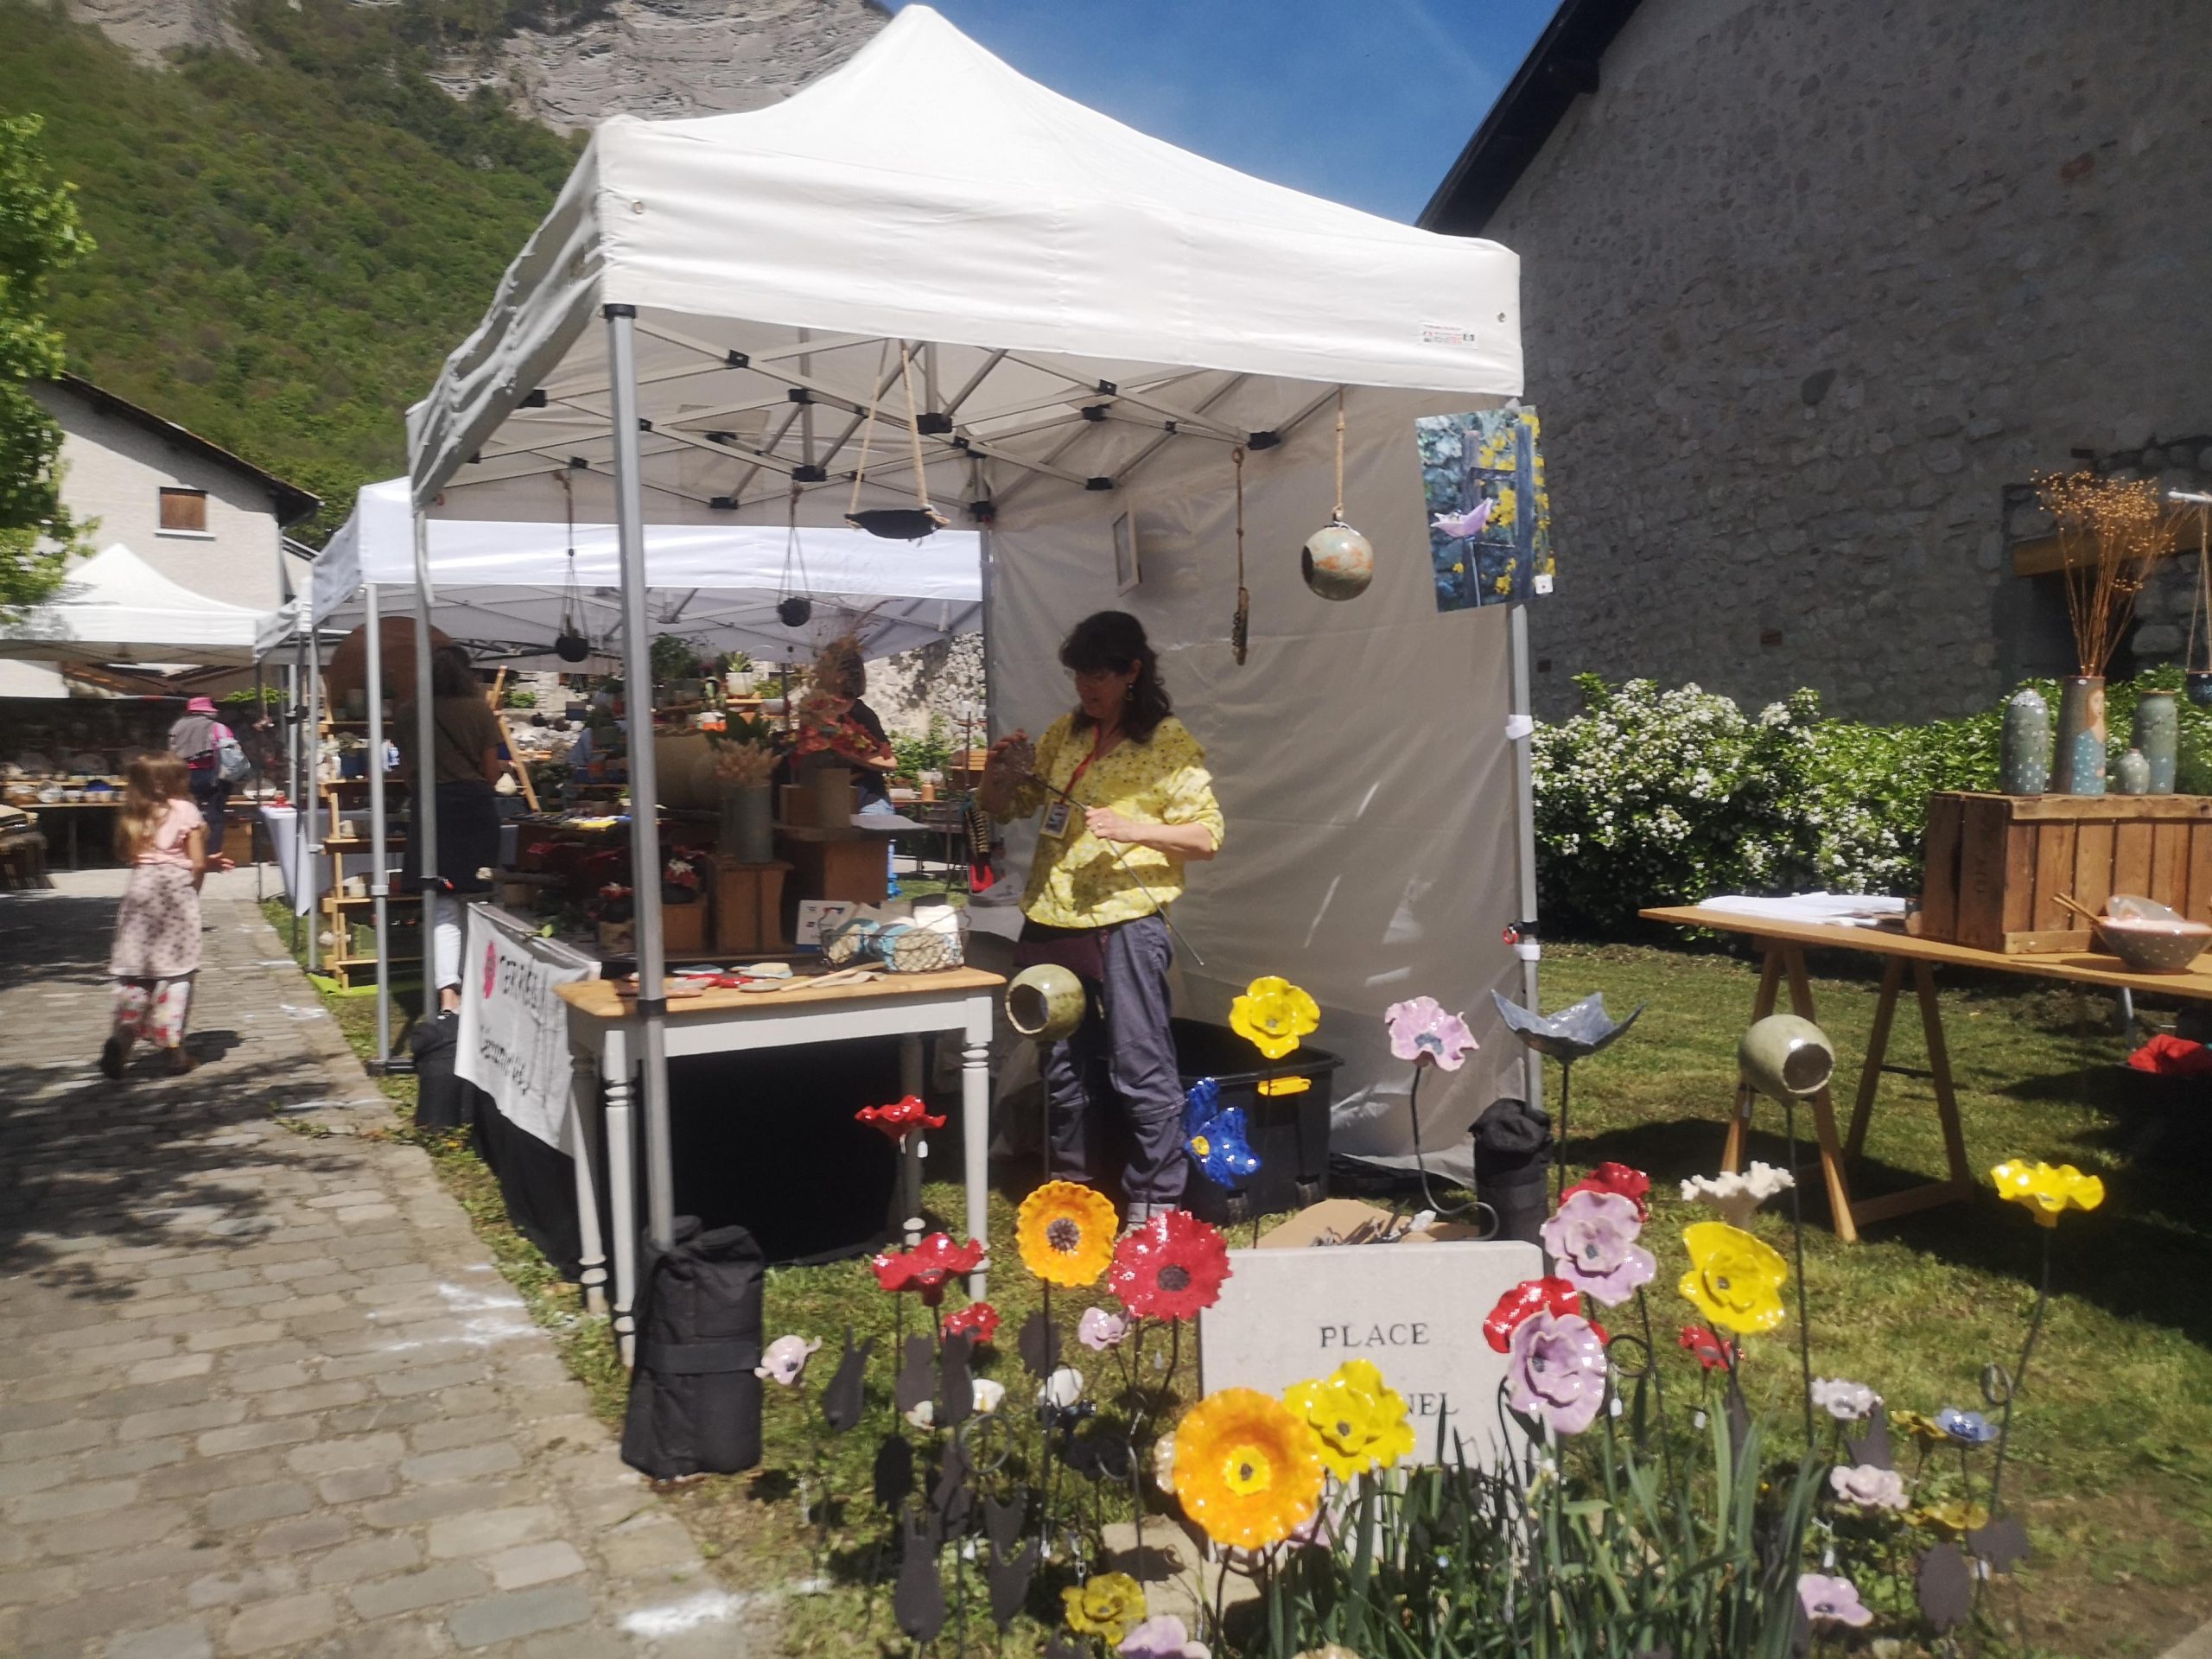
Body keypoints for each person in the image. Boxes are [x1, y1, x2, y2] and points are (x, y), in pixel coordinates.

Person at [977, 610, 1224, 1221]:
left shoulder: (1167, 743)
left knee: (1141, 1062)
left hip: (1125, 922)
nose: (1087, 688)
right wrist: (998, 777)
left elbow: (1208, 836)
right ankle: (1073, 1192)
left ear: (1132, 671)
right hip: (1053, 918)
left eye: (1099, 676)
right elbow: (1006, 809)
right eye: (1079, 675)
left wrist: (1132, 828)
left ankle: (1155, 1199)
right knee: (1063, 1066)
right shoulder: (1067, 733)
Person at [102, 753, 231, 1078]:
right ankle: (174, 1050)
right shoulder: (185, 810)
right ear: (173, 782)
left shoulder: (137, 812)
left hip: (140, 892)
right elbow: (196, 863)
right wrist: (195, 886)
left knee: (138, 971)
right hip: (175, 894)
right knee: (176, 972)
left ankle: (123, 1037)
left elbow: (150, 857)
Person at [397, 646, 503, 1014]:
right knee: (477, 900)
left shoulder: (410, 712)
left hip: (432, 808)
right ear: (467, 674)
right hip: (474, 807)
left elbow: (406, 772)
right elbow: (490, 773)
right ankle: (479, 985)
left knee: (441, 903)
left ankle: (448, 994)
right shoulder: (479, 710)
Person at [166, 694, 236, 836]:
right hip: (213, 775)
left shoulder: (177, 727)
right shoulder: (218, 728)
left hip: (183, 775)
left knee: (185, 814)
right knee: (215, 814)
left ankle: (189, 847)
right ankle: (212, 849)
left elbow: (171, 751)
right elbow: (232, 753)